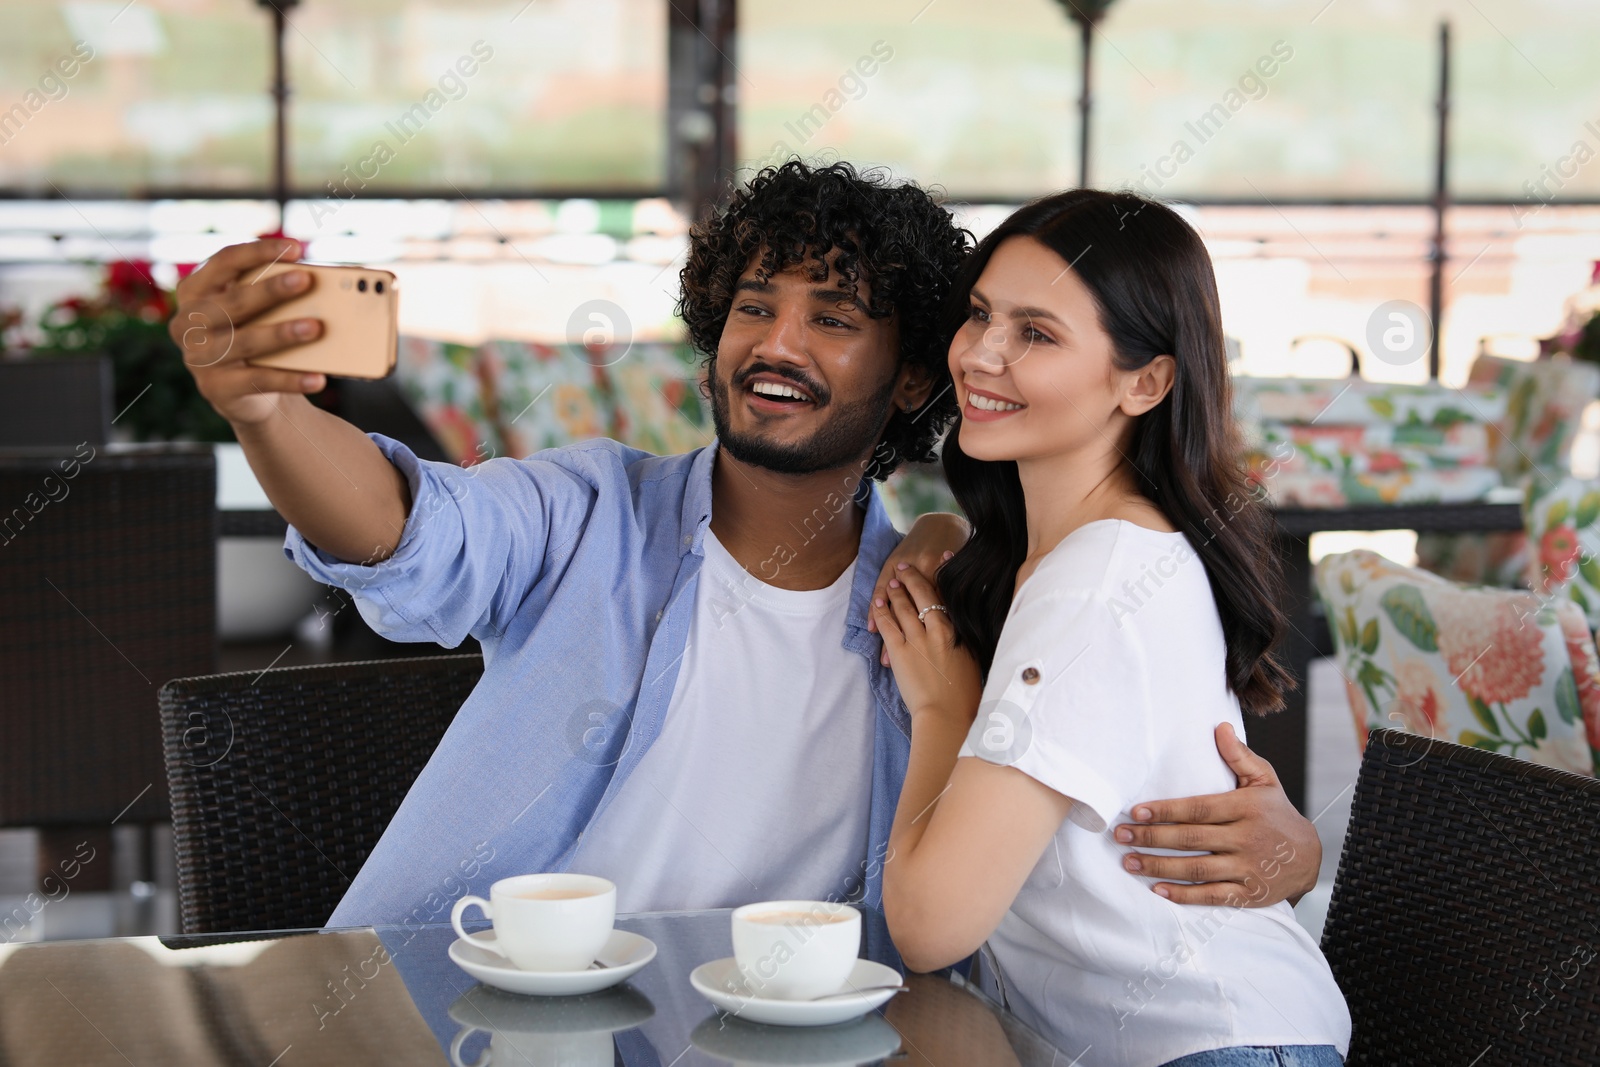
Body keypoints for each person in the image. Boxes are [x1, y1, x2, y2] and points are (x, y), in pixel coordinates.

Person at [173, 161, 1321, 936]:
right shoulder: (590, 515)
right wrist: (268, 412)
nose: (775, 342)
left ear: (915, 374)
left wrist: (1294, 849)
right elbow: (407, 527)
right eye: (752, 305)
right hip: (489, 1019)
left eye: (832, 318)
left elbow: (1091, 800)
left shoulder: (942, 609)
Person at [876, 189, 1351, 1066]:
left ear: (1147, 380)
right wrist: (938, 536)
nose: (980, 354)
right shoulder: (1096, 552)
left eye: (1036, 333)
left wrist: (947, 708)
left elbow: (929, 924)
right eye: (981, 314)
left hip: (1212, 1047)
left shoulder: (1094, 588)